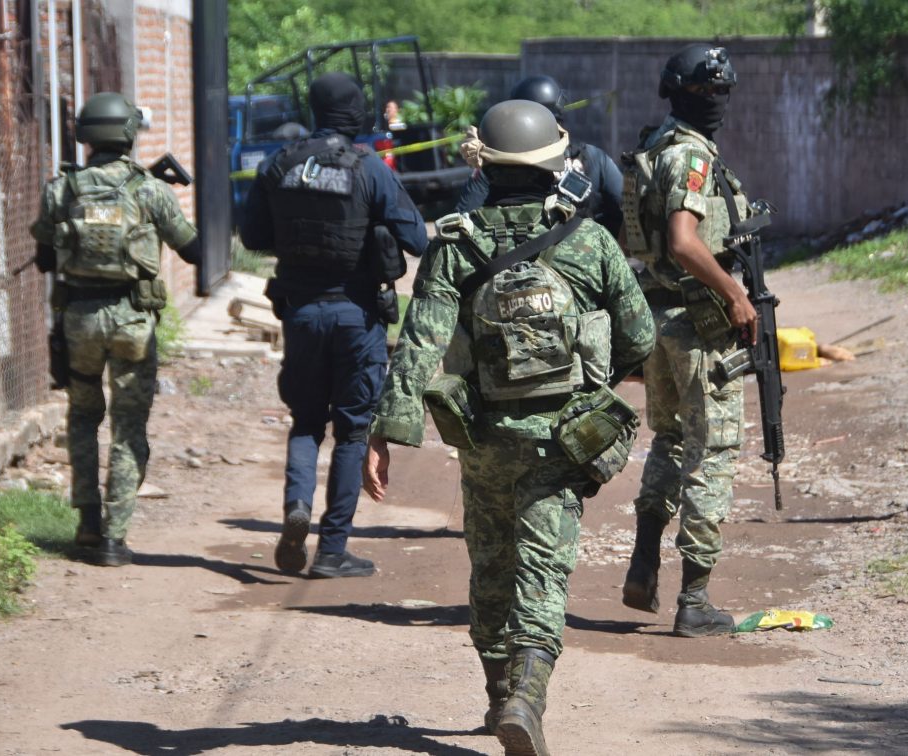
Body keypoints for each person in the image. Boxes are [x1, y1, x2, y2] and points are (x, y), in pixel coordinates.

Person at [363, 100, 654, 755]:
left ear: (485, 166)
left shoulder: (455, 244)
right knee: (543, 573)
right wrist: (598, 377)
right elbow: (640, 334)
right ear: (554, 164)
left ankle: (499, 694)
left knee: (492, 567)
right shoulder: (589, 240)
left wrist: (386, 433)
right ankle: (526, 697)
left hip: (484, 440)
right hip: (565, 439)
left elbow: (419, 343)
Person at [240, 73, 428, 578]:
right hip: (356, 315)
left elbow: (252, 235)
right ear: (356, 111)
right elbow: (417, 238)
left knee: (305, 422)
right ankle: (331, 551)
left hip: (301, 312)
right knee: (352, 430)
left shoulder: (279, 163)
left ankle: (297, 506)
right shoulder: (368, 168)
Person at [618, 43, 758, 637]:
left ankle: (644, 564)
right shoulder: (691, 156)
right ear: (679, 93)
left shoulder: (653, 147)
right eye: (707, 91)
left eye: (722, 91)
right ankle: (694, 600)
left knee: (671, 441)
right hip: (698, 324)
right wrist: (734, 294)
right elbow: (682, 241)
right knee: (712, 450)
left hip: (657, 317)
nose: (716, 100)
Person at [29, 92, 200, 567]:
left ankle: (87, 522)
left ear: (85, 135)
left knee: (83, 417)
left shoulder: (62, 189)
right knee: (128, 427)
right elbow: (194, 252)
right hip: (132, 322)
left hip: (79, 320)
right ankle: (114, 538)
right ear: (128, 133)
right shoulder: (150, 190)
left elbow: (44, 260)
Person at [455, 75, 624, 237]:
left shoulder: (496, 160)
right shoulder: (595, 157)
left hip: (505, 250)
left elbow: (464, 219)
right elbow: (624, 208)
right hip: (583, 250)